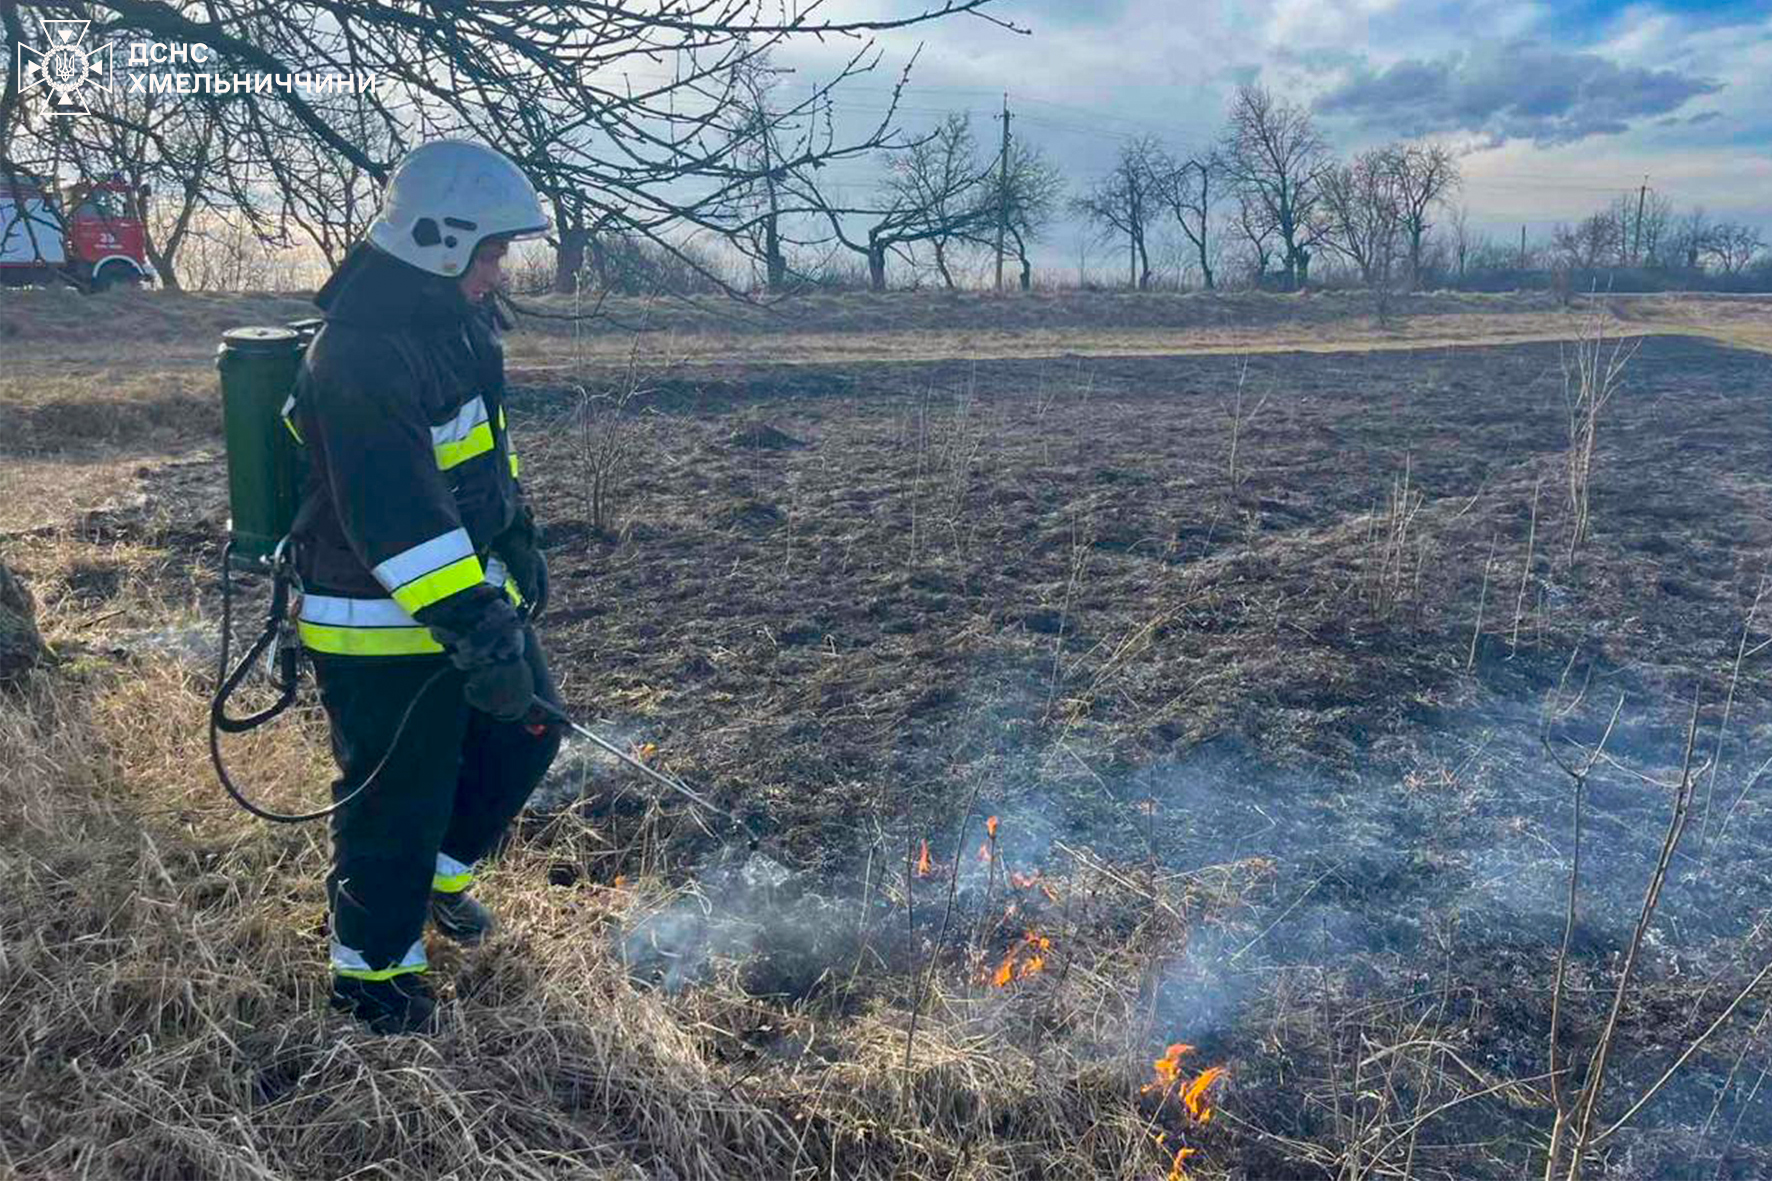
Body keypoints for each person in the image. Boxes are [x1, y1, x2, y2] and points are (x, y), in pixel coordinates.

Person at [287, 140, 562, 1034]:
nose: (501, 269)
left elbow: (481, 450)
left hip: (460, 599)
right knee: (394, 798)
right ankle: (373, 980)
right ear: (441, 241)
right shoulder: (358, 354)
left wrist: (515, 532)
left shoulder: (457, 323)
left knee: (528, 729)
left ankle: (442, 881)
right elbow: (396, 516)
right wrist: (480, 631)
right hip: (372, 616)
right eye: (491, 251)